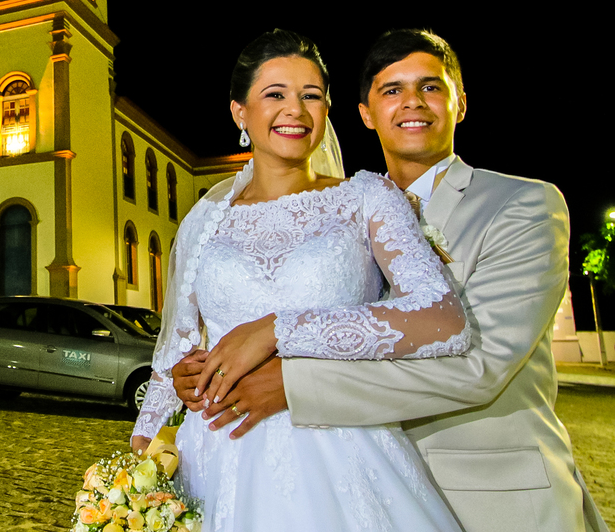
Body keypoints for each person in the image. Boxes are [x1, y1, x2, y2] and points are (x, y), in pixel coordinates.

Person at [173, 30, 607, 532]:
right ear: (364, 113)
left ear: (460, 103)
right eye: (392, 90)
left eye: (431, 87)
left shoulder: (524, 206)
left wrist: (294, 382)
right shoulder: (344, 212)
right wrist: (210, 372)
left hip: (492, 498)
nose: (412, 103)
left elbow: (481, 366)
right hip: (345, 481)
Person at [131, 29, 471, 531]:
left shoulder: (366, 199)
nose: (295, 109)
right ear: (239, 113)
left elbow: (444, 320)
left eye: (310, 96)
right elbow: (173, 354)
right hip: (218, 452)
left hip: (340, 452)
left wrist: (280, 328)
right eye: (275, 95)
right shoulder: (205, 220)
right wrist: (138, 460)